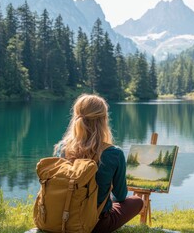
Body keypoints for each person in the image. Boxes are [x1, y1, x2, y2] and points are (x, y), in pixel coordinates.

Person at [53, 94, 143, 233]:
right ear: (103, 120)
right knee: (137, 201)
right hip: (95, 225)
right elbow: (120, 196)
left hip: (62, 218)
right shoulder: (113, 153)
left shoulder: (62, 148)